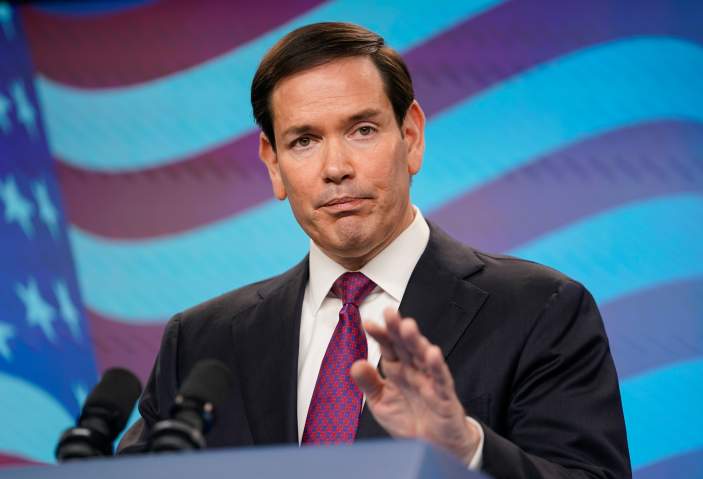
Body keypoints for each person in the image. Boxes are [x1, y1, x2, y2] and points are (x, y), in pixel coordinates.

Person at [118, 22, 631, 478]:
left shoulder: (539, 310)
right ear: (273, 163)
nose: (335, 168)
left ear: (411, 136)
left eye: (362, 130)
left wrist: (469, 448)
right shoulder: (201, 342)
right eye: (303, 141)